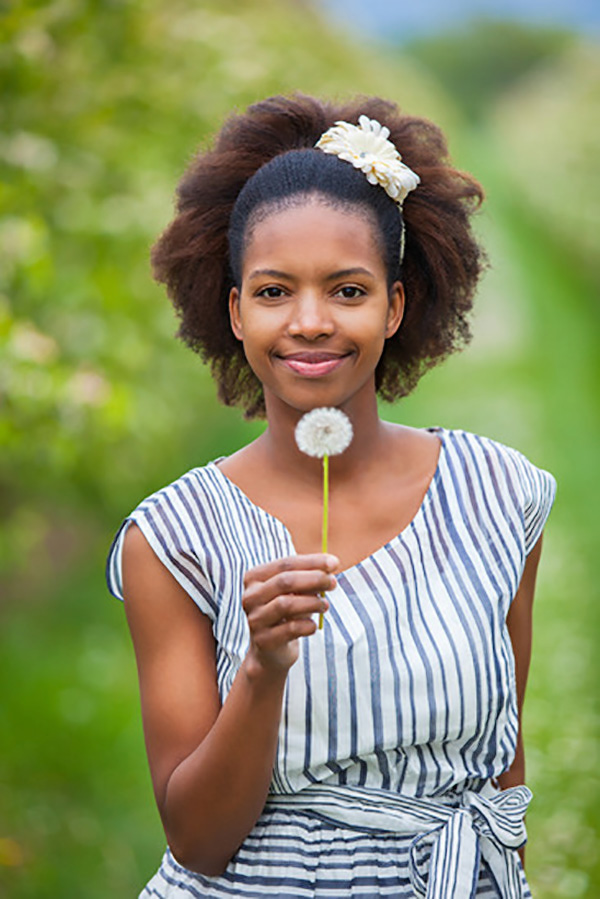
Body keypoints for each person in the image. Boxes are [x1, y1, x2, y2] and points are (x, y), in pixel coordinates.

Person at [106, 94, 556, 898]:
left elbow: (502, 772)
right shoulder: (172, 539)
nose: (310, 321)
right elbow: (199, 840)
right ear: (235, 311)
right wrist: (263, 668)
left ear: (397, 306)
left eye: (348, 291)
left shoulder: (500, 495)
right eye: (275, 292)